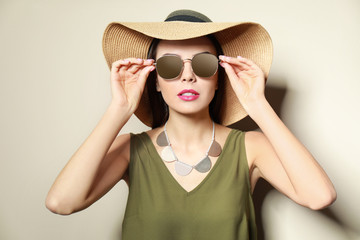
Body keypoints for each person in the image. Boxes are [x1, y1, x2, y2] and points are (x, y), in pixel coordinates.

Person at [46, 9, 336, 240]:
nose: (187, 76)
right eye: (170, 66)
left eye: (203, 65)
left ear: (219, 78)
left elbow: (319, 196)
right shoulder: (130, 149)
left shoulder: (250, 147)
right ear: (155, 81)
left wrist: (257, 104)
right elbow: (61, 202)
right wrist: (119, 108)